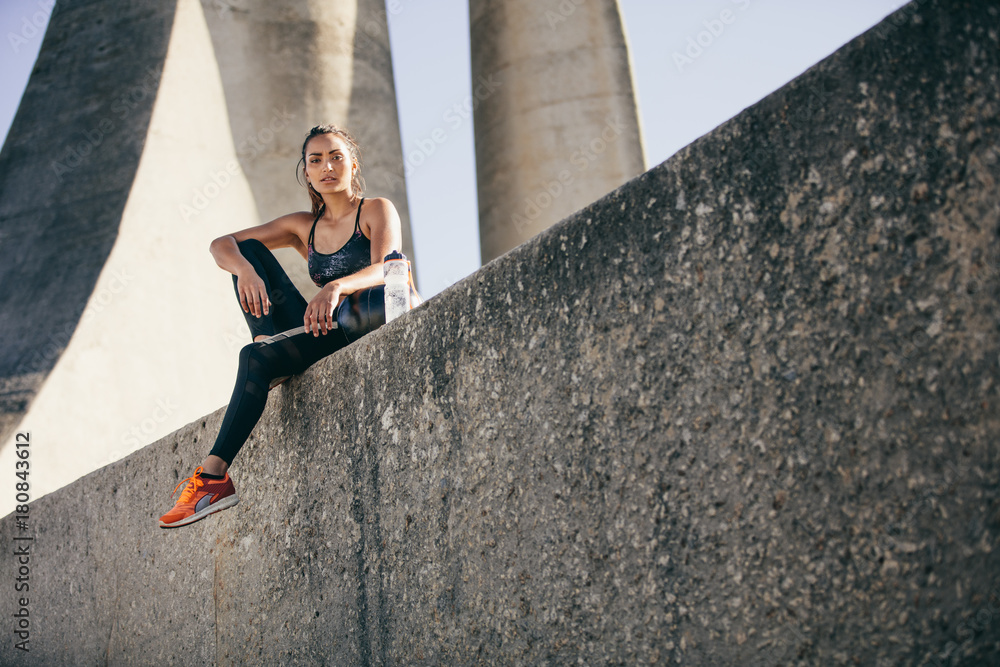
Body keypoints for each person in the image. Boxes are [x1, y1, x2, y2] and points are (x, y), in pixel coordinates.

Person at [159, 124, 416, 528]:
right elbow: (220, 244)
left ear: (352, 164)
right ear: (307, 173)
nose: (327, 166)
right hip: (322, 330)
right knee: (247, 252)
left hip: (363, 318)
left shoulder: (375, 209)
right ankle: (267, 341)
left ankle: (211, 477)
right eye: (316, 160)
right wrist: (245, 271)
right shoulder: (304, 226)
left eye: (336, 157)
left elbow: (389, 269)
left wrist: (336, 285)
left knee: (253, 360)